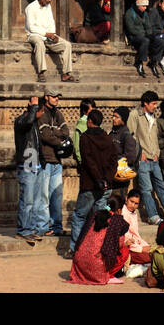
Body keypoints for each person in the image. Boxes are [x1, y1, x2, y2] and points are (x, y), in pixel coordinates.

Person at [69, 108, 120, 252]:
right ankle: (95, 247)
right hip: (105, 186)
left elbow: (88, 161)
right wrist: (106, 179)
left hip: (90, 185)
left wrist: (99, 179)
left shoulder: (85, 138)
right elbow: (113, 161)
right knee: (98, 217)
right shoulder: (107, 137)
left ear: (90, 121)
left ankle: (76, 249)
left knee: (80, 216)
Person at [127, 90, 164, 225]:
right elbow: (131, 136)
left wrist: (157, 152)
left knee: (162, 187)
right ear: (145, 103)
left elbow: (154, 137)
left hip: (154, 158)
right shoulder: (135, 115)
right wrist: (139, 153)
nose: (155, 106)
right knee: (146, 189)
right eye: (153, 104)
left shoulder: (153, 117)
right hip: (143, 159)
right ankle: (153, 216)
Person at [70, 194, 131, 285]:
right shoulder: (117, 220)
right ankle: (108, 275)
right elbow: (119, 244)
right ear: (119, 210)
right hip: (96, 267)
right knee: (125, 250)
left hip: (79, 264)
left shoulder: (95, 214)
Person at [37, 87, 71, 236]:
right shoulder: (41, 113)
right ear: (46, 97)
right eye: (54, 96)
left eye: (58, 96)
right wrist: (58, 136)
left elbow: (66, 132)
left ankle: (56, 226)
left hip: (57, 161)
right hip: (45, 160)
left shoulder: (58, 113)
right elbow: (45, 135)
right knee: (44, 196)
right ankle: (43, 227)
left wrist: (55, 132)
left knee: (56, 196)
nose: (57, 99)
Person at [25, 0, 77, 83]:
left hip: (48, 35)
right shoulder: (30, 7)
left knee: (67, 45)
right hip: (34, 35)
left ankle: (66, 74)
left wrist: (52, 34)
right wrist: (47, 34)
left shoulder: (47, 6)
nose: (49, 0)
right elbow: (32, 28)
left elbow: (51, 21)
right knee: (40, 44)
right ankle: (41, 73)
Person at [14, 95, 47, 244]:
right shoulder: (22, 121)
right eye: (41, 111)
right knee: (27, 200)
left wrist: (43, 160)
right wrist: (34, 107)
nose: (43, 114)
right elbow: (27, 123)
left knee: (36, 200)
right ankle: (23, 230)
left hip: (36, 162)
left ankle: (31, 229)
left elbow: (38, 144)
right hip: (27, 162)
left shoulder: (34, 123)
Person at [120, 186, 153, 278]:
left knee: (153, 252)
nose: (133, 205)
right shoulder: (123, 212)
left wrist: (145, 245)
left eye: (136, 203)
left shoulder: (133, 213)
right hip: (128, 248)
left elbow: (136, 234)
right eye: (131, 202)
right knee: (151, 257)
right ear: (126, 198)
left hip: (136, 245)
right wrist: (141, 249)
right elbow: (126, 237)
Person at [124, 0, 152, 76]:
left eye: (146, 6)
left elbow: (148, 27)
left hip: (143, 35)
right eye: (143, 6)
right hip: (134, 37)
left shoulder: (145, 14)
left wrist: (149, 34)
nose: (145, 8)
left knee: (157, 40)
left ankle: (154, 62)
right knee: (145, 41)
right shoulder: (129, 13)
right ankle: (139, 62)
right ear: (138, 5)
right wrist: (143, 34)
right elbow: (131, 29)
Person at [110, 106, 139, 172]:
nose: (113, 119)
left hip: (121, 172)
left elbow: (131, 157)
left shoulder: (126, 135)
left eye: (117, 117)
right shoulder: (112, 133)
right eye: (113, 116)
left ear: (123, 119)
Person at [73, 98, 97, 163]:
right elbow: (77, 147)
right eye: (91, 111)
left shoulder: (98, 124)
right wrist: (81, 161)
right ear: (84, 111)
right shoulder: (79, 128)